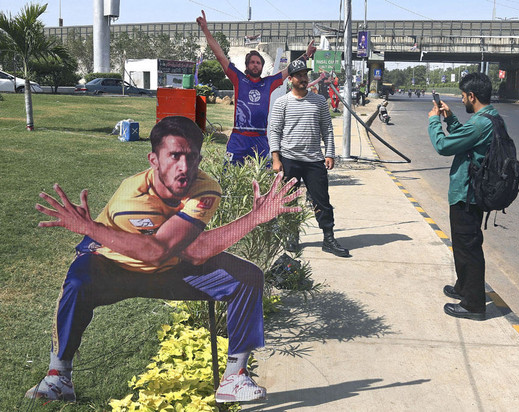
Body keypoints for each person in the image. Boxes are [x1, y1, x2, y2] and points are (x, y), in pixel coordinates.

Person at [26, 116, 302, 403]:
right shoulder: (131, 198)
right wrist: (90, 230)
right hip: (116, 268)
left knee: (246, 276)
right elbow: (154, 252)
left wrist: (255, 217)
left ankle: (234, 377)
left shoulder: (206, 188)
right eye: (174, 156)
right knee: (78, 279)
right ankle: (58, 379)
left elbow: (193, 252)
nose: (184, 167)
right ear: (154, 160)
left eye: (191, 157)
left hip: (171, 268)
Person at [197, 10, 316, 164]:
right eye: (252, 62)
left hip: (260, 139)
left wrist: (306, 55)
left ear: (261, 66)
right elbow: (220, 55)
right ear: (247, 65)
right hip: (238, 138)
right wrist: (205, 29)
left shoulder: (268, 83)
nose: (255, 65)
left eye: (258, 62)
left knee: (261, 179)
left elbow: (290, 70)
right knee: (227, 174)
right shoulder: (238, 79)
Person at [427, 72, 500, 321]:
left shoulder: (480, 123)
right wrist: (451, 118)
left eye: (462, 96)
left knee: (468, 248)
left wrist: (434, 121)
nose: (461, 100)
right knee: (462, 245)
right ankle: (463, 287)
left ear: (472, 96)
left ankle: (474, 304)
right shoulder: (490, 117)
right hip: (471, 192)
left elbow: (444, 146)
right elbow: (467, 140)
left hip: (467, 194)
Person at [269, 59, 350, 258]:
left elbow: (327, 129)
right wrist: (276, 159)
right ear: (290, 79)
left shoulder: (319, 101)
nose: (304, 79)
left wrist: (330, 153)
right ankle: (291, 235)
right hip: (289, 160)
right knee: (290, 201)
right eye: (300, 75)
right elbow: (274, 131)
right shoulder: (282, 103)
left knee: (322, 201)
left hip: (314, 160)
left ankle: (328, 238)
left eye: (306, 75)